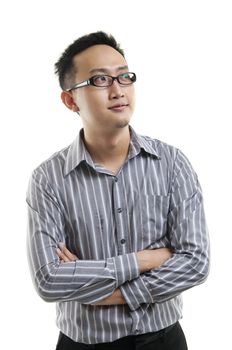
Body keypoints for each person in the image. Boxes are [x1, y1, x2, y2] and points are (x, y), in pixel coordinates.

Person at [26, 31, 210, 350]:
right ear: (70, 100)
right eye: (100, 80)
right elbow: (49, 280)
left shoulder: (172, 163)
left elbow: (195, 262)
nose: (117, 90)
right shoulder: (48, 178)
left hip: (164, 339)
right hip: (83, 343)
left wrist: (114, 294)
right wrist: (145, 259)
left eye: (124, 77)